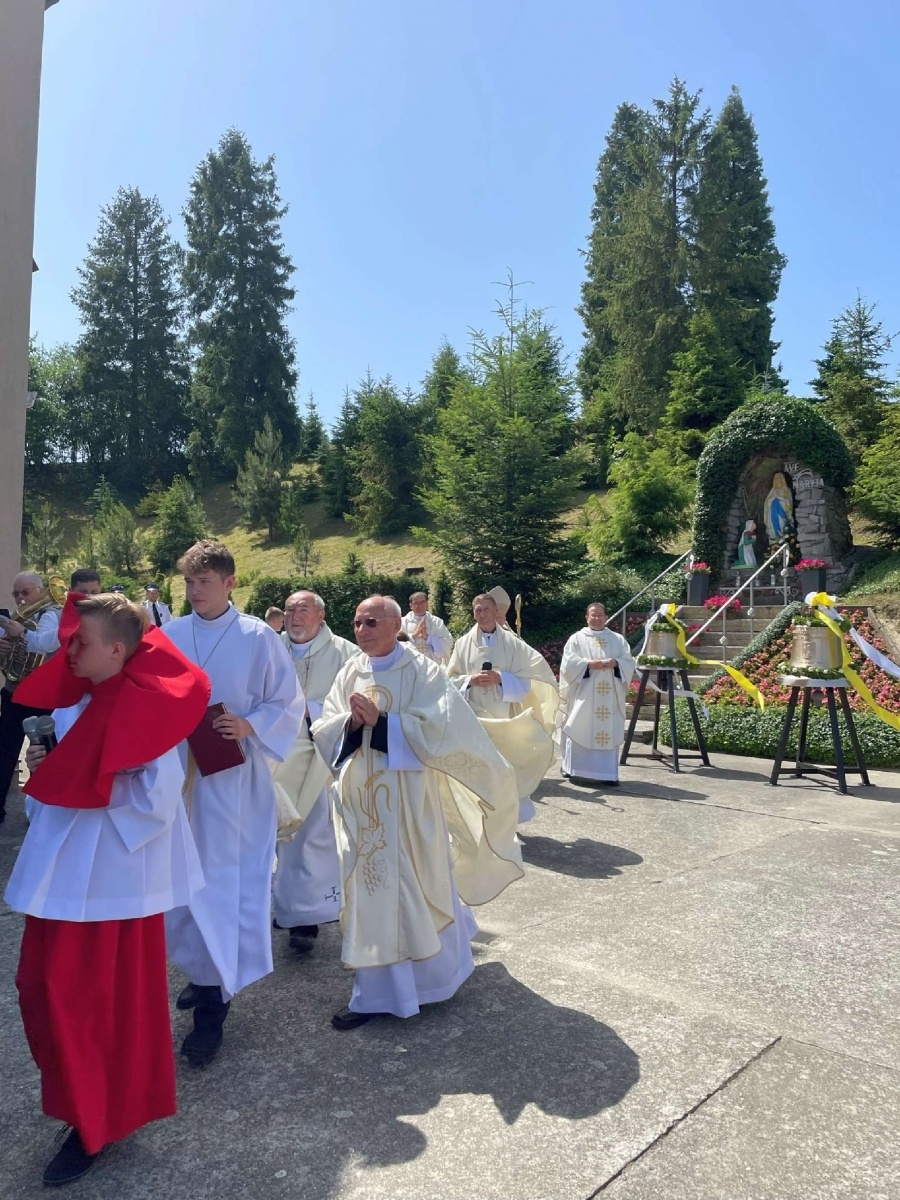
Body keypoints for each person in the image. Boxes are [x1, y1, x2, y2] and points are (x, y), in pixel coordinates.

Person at [4, 592, 209, 1186]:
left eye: (81, 642)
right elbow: (55, 782)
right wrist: (48, 768)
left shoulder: (148, 707)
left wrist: (94, 773)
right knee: (41, 988)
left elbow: (158, 800)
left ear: (117, 649)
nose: (69, 650)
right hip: (62, 872)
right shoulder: (76, 702)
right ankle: (83, 1104)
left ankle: (95, 1122)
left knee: (87, 999)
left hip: (111, 883)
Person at [312, 596, 523, 1030]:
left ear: (395, 625)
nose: (362, 629)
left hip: (408, 805)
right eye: (356, 622)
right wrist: (350, 725)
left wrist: (384, 722)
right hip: (362, 807)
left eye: (371, 621)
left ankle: (431, 983)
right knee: (368, 893)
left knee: (414, 887)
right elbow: (325, 727)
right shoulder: (350, 669)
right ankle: (372, 995)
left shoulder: (422, 670)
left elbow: (445, 731)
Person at [164, 541, 304, 1066]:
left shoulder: (257, 637)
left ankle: (213, 1006)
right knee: (181, 887)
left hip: (233, 781)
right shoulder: (170, 636)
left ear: (229, 582)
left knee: (223, 885)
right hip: (178, 778)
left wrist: (249, 724)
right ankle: (203, 974)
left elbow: (286, 701)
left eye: (204, 581)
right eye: (189, 583)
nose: (194, 591)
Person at [271, 590, 358, 951]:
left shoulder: (345, 653)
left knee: (313, 837)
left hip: (323, 756)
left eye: (303, 609)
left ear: (321, 615)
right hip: (275, 755)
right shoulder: (269, 648)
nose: (295, 616)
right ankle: (288, 910)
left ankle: (309, 916)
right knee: (278, 837)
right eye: (290, 609)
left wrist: (312, 708)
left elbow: (357, 701)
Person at [447, 593, 559, 822]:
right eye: (477, 610)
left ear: (495, 611)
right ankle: (479, 817)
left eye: (486, 609)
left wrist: (501, 678)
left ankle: (508, 819)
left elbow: (525, 682)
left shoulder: (513, 644)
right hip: (474, 717)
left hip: (505, 715)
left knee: (507, 766)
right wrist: (470, 681)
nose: (482, 614)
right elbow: (449, 680)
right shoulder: (462, 644)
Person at [0, 573, 63, 820]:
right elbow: (7, 661)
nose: (20, 599)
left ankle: (44, 811)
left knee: (44, 754)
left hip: (45, 697)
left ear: (40, 591)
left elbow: (47, 645)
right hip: (15, 694)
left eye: (25, 592)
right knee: (5, 751)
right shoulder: (11, 620)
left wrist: (22, 635)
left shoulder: (52, 615)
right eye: (17, 594)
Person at [558, 603, 636, 786]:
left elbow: (628, 661)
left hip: (609, 698)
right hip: (583, 696)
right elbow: (567, 664)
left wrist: (616, 663)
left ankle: (607, 774)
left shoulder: (617, 639)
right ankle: (572, 769)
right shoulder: (576, 639)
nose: (597, 618)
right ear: (587, 617)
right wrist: (587, 664)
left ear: (606, 617)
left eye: (600, 615)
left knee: (607, 731)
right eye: (593, 615)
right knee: (578, 726)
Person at [400, 591, 453, 664]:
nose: (419, 605)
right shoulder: (402, 622)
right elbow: (395, 643)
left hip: (432, 664)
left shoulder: (437, 622)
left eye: (422, 602)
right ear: (411, 605)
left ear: (427, 604)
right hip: (411, 665)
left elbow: (448, 641)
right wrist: (413, 636)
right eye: (416, 603)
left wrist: (428, 637)